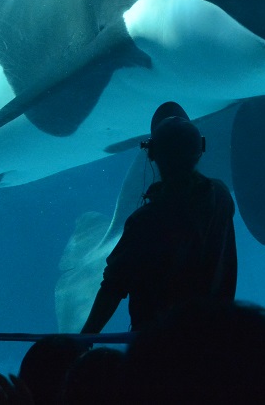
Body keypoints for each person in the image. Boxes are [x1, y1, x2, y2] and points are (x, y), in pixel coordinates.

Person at [80, 101, 237, 334]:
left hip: (156, 345)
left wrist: (85, 337)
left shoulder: (145, 221)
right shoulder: (221, 196)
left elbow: (114, 286)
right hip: (212, 336)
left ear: (152, 154)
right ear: (200, 149)